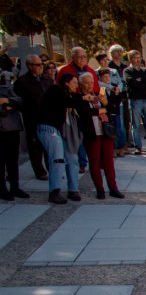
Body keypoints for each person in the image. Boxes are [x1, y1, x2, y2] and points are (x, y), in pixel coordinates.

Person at [76, 74, 124, 200]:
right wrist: (99, 111)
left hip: (105, 132)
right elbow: (83, 113)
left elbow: (110, 108)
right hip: (92, 134)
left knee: (109, 162)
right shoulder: (79, 97)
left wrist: (105, 104)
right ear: (81, 85)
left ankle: (113, 188)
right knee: (95, 162)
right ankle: (100, 189)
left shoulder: (98, 94)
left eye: (91, 82)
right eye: (86, 83)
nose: (90, 85)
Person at [37, 74, 83, 204]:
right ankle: (55, 191)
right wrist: (83, 97)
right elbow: (69, 102)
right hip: (48, 128)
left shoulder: (66, 94)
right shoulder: (56, 90)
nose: (76, 85)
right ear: (67, 82)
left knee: (72, 158)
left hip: (59, 130)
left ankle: (73, 189)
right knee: (57, 159)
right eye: (74, 82)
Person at [12, 54, 52, 180]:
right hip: (32, 118)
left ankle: (52, 168)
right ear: (30, 66)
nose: (41, 67)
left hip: (48, 118)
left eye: (42, 64)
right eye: (38, 65)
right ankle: (39, 171)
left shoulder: (47, 79)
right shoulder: (22, 82)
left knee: (49, 146)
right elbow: (18, 101)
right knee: (35, 147)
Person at [123, 50, 146, 155]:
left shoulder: (144, 70)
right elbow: (131, 82)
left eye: (139, 57)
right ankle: (138, 146)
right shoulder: (127, 71)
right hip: (135, 100)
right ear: (130, 59)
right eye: (135, 58)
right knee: (136, 125)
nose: (138, 60)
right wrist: (142, 81)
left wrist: (140, 80)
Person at [0, 80, 30, 201]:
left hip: (13, 128)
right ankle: (2, 189)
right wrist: (6, 107)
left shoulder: (5, 88)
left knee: (13, 160)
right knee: (1, 161)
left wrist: (7, 101)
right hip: (1, 130)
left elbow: (19, 100)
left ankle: (15, 186)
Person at [107, 44, 132, 148]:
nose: (119, 53)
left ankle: (127, 142)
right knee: (117, 122)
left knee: (127, 120)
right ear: (112, 53)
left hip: (125, 95)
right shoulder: (109, 67)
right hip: (114, 97)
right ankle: (118, 144)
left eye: (121, 51)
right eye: (117, 51)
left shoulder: (124, 67)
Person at [97, 69, 125, 157]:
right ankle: (112, 149)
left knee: (119, 129)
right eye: (104, 77)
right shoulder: (101, 89)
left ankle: (120, 148)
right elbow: (103, 101)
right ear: (101, 78)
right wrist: (109, 106)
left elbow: (120, 97)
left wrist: (114, 104)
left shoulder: (115, 87)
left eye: (108, 76)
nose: (107, 78)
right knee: (109, 131)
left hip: (116, 111)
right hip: (107, 112)